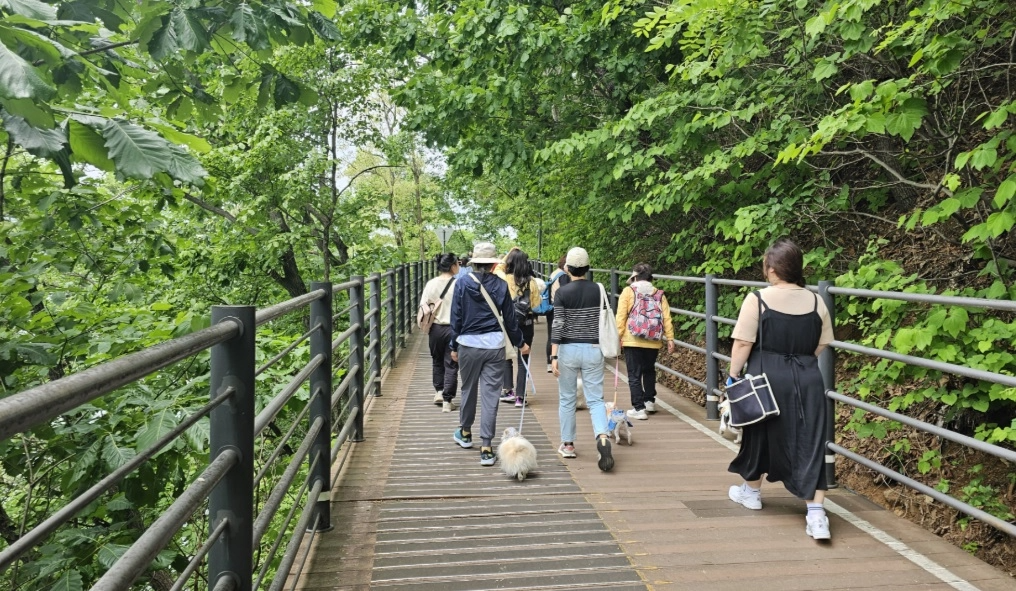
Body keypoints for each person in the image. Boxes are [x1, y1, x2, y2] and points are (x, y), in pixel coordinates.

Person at [725, 238, 835, 540]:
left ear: (772, 269)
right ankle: (816, 515)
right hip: (807, 376)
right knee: (810, 439)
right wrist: (800, 360)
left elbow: (743, 342)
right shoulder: (817, 301)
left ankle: (751, 493)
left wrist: (733, 375)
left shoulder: (757, 299)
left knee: (759, 432)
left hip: (766, 376)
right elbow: (823, 343)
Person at [449, 242, 531, 466]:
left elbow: (456, 317)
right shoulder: (501, 285)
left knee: (468, 389)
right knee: (490, 395)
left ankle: (465, 433)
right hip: (494, 346)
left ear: (474, 263)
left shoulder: (462, 283)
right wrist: (521, 343)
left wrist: (453, 346)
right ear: (494, 264)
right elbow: (510, 320)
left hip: (467, 344)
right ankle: (486, 447)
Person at [550, 247, 614, 472]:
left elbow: (558, 324)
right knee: (595, 399)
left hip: (568, 349)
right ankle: (603, 436)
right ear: (587, 267)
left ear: (567, 268)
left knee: (567, 398)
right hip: (593, 348)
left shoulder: (562, 292)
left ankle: (568, 445)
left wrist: (554, 355)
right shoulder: (599, 289)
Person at [615, 263, 676, 420]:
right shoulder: (659, 294)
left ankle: (639, 408)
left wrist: (618, 336)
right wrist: (670, 338)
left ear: (634, 277)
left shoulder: (628, 291)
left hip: (632, 339)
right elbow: (666, 317)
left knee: (634, 374)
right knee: (649, 370)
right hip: (653, 339)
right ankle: (649, 401)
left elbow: (621, 316)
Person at [494, 249, 541, 407]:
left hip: (507, 323)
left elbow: (498, 267)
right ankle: (520, 397)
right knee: (523, 359)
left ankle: (508, 391)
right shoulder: (531, 282)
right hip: (526, 323)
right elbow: (536, 304)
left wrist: (509, 253)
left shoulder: (503, 279)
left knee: (507, 356)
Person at [419, 253, 460, 412]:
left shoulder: (431, 284)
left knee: (437, 360)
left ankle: (439, 391)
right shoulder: (459, 284)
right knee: (451, 363)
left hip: (435, 328)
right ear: (452, 266)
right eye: (457, 263)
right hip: (453, 329)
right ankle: (447, 401)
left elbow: (424, 306)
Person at [544, 256, 570, 373]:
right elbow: (565, 293)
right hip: (558, 308)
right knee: (558, 336)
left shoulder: (554, 273)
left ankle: (549, 363)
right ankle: (557, 361)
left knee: (551, 336)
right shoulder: (563, 276)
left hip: (550, 308)